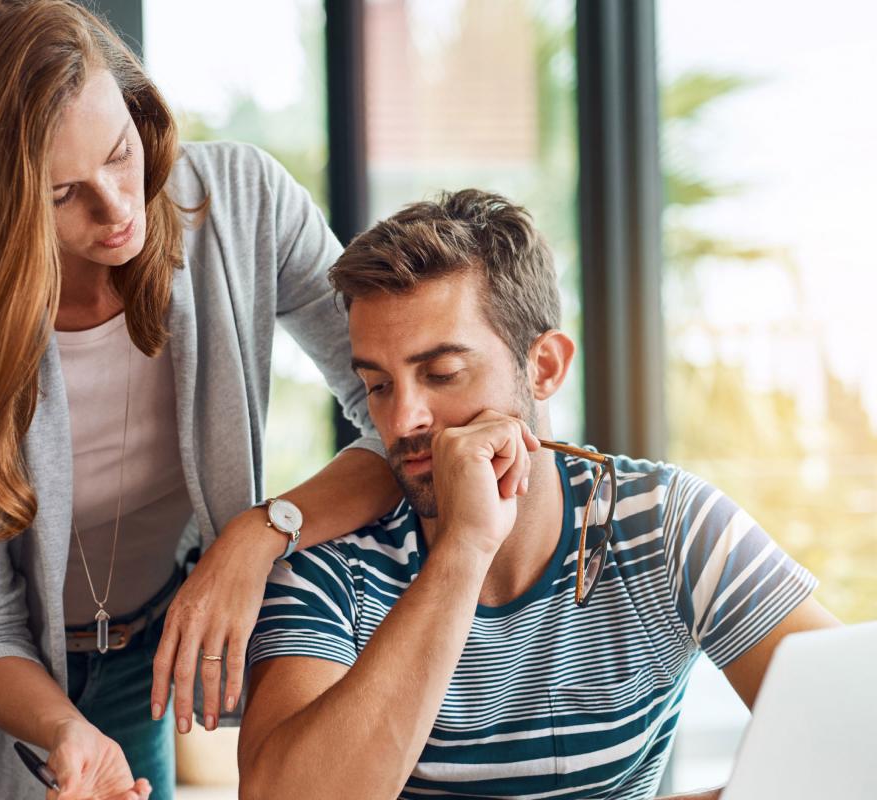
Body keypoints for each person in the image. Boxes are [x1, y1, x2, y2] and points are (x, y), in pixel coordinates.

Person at [0, 2, 399, 799]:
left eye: (120, 152)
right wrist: (64, 730)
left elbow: (401, 417)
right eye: (63, 193)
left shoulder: (242, 204)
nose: (118, 207)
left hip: (137, 667)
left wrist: (262, 534)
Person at [238, 189, 840, 800]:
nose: (403, 420)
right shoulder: (329, 564)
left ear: (544, 367)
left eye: (442, 374)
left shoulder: (665, 524)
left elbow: (848, 732)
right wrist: (464, 549)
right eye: (378, 385)